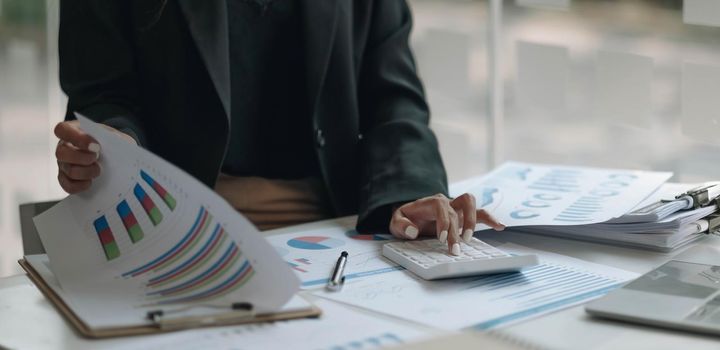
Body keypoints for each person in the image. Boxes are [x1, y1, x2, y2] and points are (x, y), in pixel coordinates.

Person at [52, 0, 504, 255]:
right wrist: (112, 143)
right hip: (173, 227)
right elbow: (103, 91)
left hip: (339, 229)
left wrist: (410, 193)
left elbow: (394, 100)